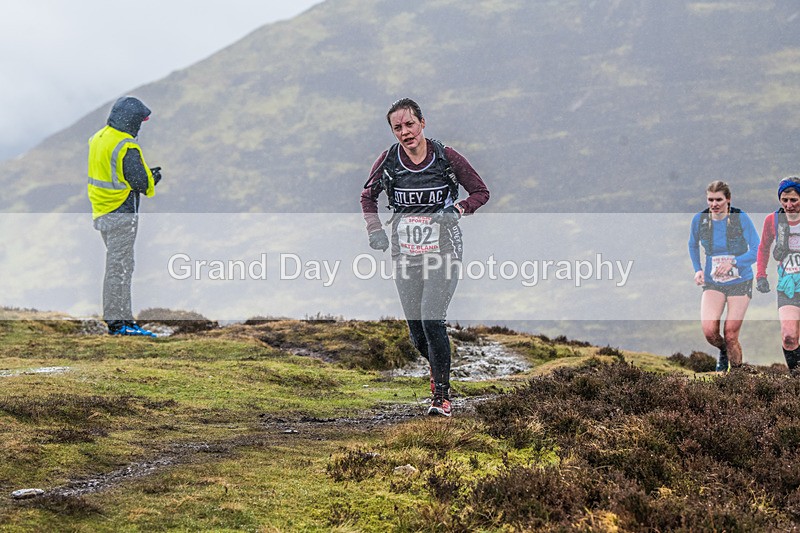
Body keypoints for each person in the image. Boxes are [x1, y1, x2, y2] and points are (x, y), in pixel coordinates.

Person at [361, 98, 489, 417]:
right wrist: (375, 229)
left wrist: (457, 209)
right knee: (417, 332)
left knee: (432, 320)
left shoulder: (446, 158)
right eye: (398, 127)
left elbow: (480, 192)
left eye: (410, 124)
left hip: (444, 251)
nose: (406, 132)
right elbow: (367, 196)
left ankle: (442, 397)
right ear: (393, 131)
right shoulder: (389, 161)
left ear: (422, 123)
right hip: (405, 254)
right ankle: (439, 370)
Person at [87, 96, 162, 337]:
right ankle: (120, 324)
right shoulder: (126, 145)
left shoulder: (99, 138)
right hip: (122, 211)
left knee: (115, 265)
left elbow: (114, 172)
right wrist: (152, 179)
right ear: (131, 121)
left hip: (102, 209)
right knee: (121, 268)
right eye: (139, 122)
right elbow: (140, 183)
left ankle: (121, 321)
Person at [688, 180, 759, 371]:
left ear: (728, 199)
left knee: (730, 334)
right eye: (710, 200)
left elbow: (756, 249)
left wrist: (734, 262)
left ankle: (736, 377)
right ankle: (723, 350)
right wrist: (698, 269)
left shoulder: (740, 217)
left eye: (718, 199)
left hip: (740, 280)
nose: (714, 204)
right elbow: (692, 245)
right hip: (713, 282)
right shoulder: (700, 220)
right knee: (710, 332)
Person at [756, 177, 800, 371]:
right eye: (785, 200)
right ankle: (796, 380)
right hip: (788, 285)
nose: (789, 205)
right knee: (789, 336)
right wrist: (761, 275)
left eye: (794, 200)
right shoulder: (772, 220)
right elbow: (764, 248)